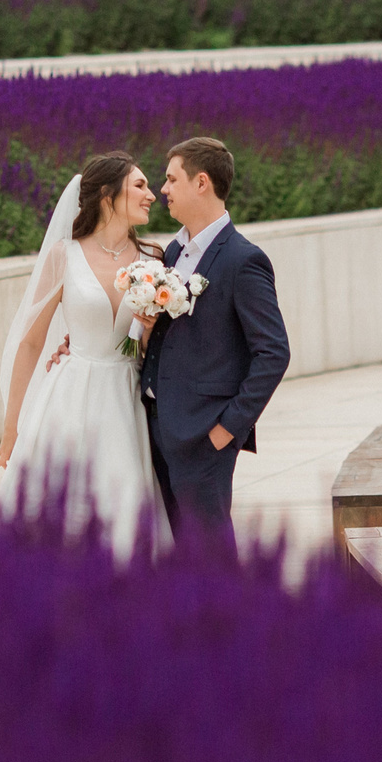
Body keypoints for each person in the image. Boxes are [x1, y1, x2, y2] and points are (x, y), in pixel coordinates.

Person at [0, 151, 166, 561]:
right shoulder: (63, 256)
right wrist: (10, 429)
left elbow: (156, 346)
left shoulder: (154, 260)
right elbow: (31, 343)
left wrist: (149, 331)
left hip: (126, 397)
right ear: (107, 195)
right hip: (70, 396)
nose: (152, 194)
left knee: (123, 504)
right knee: (62, 507)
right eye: (140, 185)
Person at [137, 137, 289, 557]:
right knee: (178, 557)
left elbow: (274, 352)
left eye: (172, 179)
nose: (163, 189)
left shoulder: (243, 260)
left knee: (213, 560)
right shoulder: (173, 251)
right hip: (159, 428)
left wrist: (227, 429)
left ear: (201, 182)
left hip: (204, 438)